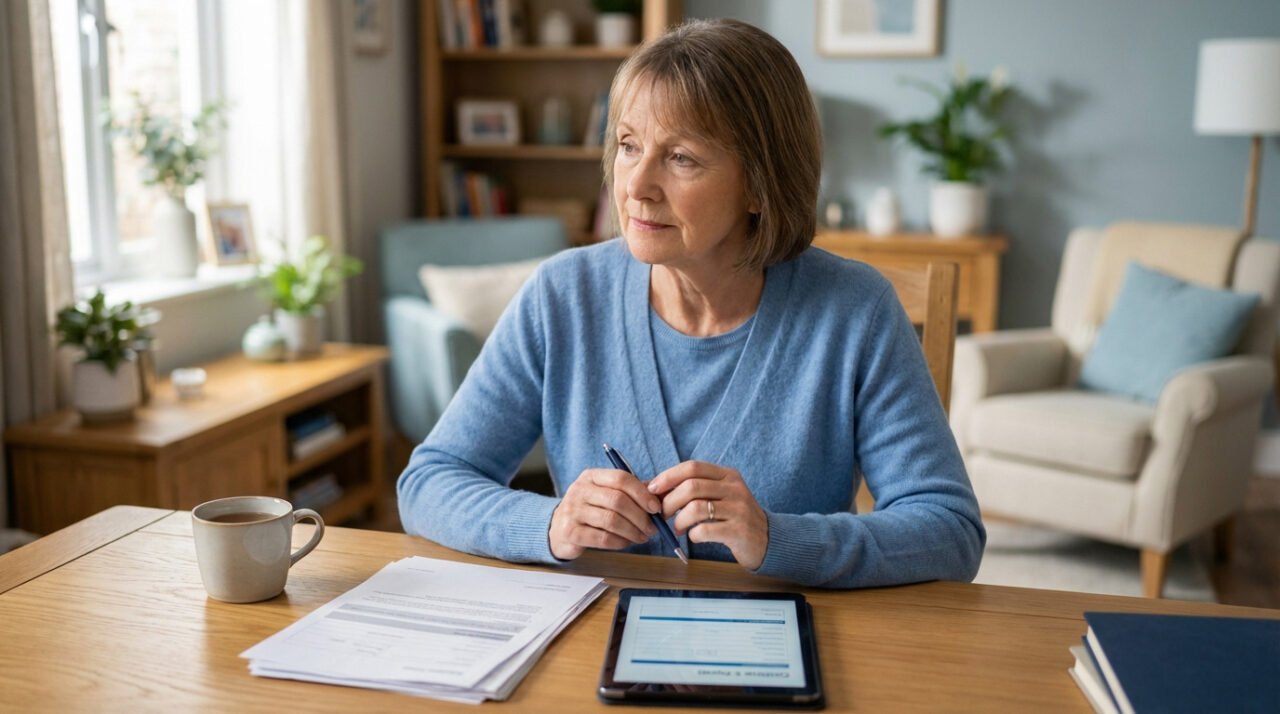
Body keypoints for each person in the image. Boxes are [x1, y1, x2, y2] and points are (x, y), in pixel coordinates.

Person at [398, 18, 984, 588]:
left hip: (783, 656)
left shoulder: (856, 312)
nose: (635, 186)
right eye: (629, 145)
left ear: (760, 183)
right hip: (590, 653)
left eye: (680, 157)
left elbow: (949, 530)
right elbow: (428, 482)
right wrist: (550, 524)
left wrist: (777, 538)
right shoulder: (562, 295)